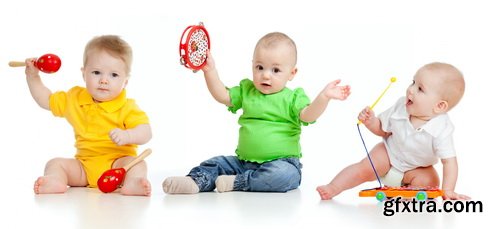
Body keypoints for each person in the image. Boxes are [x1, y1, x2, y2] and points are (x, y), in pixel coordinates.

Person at [163, 32, 351, 194]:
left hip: (282, 163)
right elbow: (222, 95)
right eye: (259, 67)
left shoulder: (293, 98)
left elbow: (309, 115)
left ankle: (238, 183)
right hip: (243, 162)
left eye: (276, 70)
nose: (265, 75)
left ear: (291, 73)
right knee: (216, 163)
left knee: (285, 176)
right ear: (252, 65)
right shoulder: (247, 90)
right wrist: (210, 71)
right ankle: (196, 181)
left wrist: (324, 97)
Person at [317, 62, 470, 200]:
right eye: (413, 82)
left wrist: (448, 190)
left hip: (417, 169)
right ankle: (333, 187)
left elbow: (449, 162)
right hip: (388, 155)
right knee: (363, 168)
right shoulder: (401, 107)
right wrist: (371, 122)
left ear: (439, 106)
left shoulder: (441, 129)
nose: (410, 90)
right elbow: (382, 130)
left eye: (420, 89)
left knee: (430, 181)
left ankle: (403, 197)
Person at [27, 35, 152, 196]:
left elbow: (146, 132)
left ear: (125, 82)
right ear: (84, 73)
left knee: (138, 164)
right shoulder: (74, 98)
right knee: (55, 163)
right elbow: (46, 100)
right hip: (83, 167)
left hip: (118, 166)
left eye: (114, 75)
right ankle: (56, 180)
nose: (104, 80)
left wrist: (128, 135)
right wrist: (33, 77)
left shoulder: (127, 107)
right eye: (96, 72)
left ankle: (132, 183)